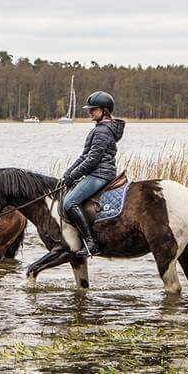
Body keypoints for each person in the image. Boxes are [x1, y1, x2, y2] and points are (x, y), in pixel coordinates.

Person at [61, 91, 126, 257]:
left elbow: (92, 160)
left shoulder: (103, 131)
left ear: (104, 110)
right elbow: (84, 156)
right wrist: (67, 174)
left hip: (100, 174)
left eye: (94, 109)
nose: (90, 112)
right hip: (98, 172)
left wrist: (73, 176)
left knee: (69, 202)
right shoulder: (100, 129)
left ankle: (91, 242)